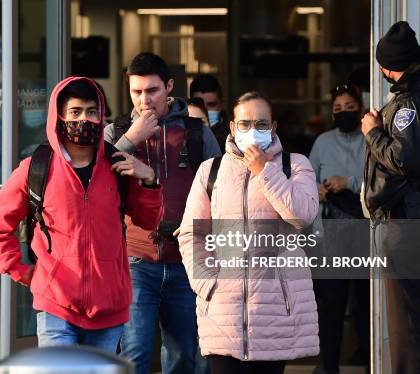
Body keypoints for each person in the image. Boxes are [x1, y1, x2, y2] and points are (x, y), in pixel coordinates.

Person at [0, 77, 163, 352]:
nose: (85, 119)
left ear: (101, 115)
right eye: (75, 112)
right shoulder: (37, 167)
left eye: (92, 112)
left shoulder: (118, 166)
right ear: (60, 117)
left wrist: (149, 180)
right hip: (56, 305)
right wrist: (22, 272)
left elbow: (148, 221)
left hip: (109, 308)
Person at [178, 91, 320, 374]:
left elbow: (303, 217)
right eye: (244, 124)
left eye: (261, 124)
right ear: (232, 127)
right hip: (223, 311)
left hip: (275, 310)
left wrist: (265, 171)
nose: (252, 131)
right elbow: (191, 234)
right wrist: (207, 284)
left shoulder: (295, 165)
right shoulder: (211, 170)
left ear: (274, 128)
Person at [104, 52, 221, 374]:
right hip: (134, 259)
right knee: (135, 354)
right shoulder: (116, 133)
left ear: (169, 87)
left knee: (184, 355)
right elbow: (94, 178)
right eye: (136, 92)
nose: (144, 99)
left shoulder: (197, 132)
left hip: (186, 259)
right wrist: (131, 139)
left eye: (152, 90)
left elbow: (221, 189)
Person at [362, 21, 420, 374]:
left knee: (410, 322)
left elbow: (405, 160)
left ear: (386, 67)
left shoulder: (413, 100)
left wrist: (374, 132)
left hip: (414, 222)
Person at [309, 84, 370, 374]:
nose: (343, 113)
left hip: (365, 231)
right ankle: (328, 365)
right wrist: (318, 190)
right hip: (331, 232)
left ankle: (370, 360)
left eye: (349, 107)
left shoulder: (371, 140)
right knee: (331, 304)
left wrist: (349, 182)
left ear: (360, 108)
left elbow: (380, 181)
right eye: (337, 109)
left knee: (364, 303)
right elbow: (306, 181)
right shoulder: (322, 142)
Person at [190, 74, 228, 152]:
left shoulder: (233, 135)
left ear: (222, 104)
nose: (205, 111)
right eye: (199, 105)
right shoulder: (182, 132)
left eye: (211, 105)